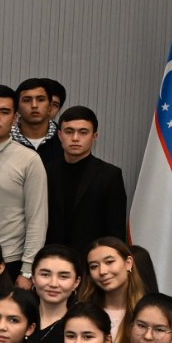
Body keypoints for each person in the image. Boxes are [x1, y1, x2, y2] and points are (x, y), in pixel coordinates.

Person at [0, 88, 50, 283]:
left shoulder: (29, 160)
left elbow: (37, 219)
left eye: (4, 112)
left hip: (10, 261)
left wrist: (27, 270)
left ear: (14, 119)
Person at [44, 107, 128, 250]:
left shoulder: (110, 175)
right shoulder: (46, 171)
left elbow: (115, 231)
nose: (75, 138)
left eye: (83, 132)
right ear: (59, 135)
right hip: (52, 255)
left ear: (94, 136)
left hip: (91, 258)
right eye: (69, 131)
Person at [83, 237, 150, 343]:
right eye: (94, 266)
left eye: (109, 262)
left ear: (128, 263)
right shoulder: (83, 311)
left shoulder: (149, 311)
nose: (102, 271)